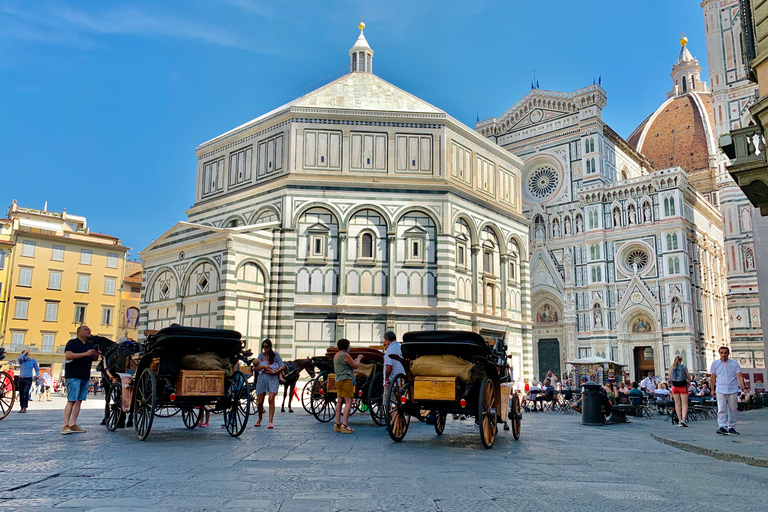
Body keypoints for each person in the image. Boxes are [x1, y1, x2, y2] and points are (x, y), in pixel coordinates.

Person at [63, 325, 100, 434]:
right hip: (73, 375)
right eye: (86, 329)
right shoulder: (72, 343)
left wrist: (96, 355)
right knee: (71, 400)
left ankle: (73, 424)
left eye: (90, 329)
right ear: (79, 331)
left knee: (79, 401)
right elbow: (68, 356)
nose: (89, 331)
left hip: (85, 375)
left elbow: (94, 358)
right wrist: (86, 354)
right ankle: (65, 425)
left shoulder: (90, 345)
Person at [710, 346, 748, 435]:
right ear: (719, 353)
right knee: (721, 408)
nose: (723, 355)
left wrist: (743, 387)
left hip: (732, 388)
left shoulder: (734, 363)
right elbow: (712, 377)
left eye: (725, 353)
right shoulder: (715, 364)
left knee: (733, 409)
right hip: (720, 388)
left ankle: (731, 427)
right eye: (722, 353)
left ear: (728, 353)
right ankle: (722, 426)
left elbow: (739, 375)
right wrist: (712, 389)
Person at [253, 339, 284, 429]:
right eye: (264, 347)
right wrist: (263, 366)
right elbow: (255, 368)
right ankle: (260, 418)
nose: (265, 349)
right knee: (260, 402)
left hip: (272, 378)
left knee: (271, 399)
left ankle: (270, 421)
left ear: (270, 347)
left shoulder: (276, 355)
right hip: (262, 379)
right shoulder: (260, 356)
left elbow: (282, 366)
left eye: (267, 347)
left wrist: (275, 372)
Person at [333, 339, 363, 434]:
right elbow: (355, 366)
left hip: (338, 380)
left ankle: (337, 424)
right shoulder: (345, 355)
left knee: (340, 401)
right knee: (348, 401)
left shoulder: (336, 355)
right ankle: (345, 425)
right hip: (346, 380)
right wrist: (359, 358)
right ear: (346, 346)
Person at [669, 355, 691, 427]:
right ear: (681, 360)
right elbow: (688, 377)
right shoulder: (684, 367)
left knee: (677, 404)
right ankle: (684, 419)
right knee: (684, 404)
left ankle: (679, 420)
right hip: (682, 386)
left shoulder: (671, 368)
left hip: (675, 387)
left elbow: (670, 378)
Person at [17, 348, 39, 413]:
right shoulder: (21, 361)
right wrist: (24, 352)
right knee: (21, 393)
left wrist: (37, 375)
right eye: (24, 354)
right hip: (21, 378)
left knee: (26, 392)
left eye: (26, 354)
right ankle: (21, 407)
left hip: (28, 379)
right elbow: (19, 358)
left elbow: (37, 369)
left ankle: (25, 407)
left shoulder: (33, 361)